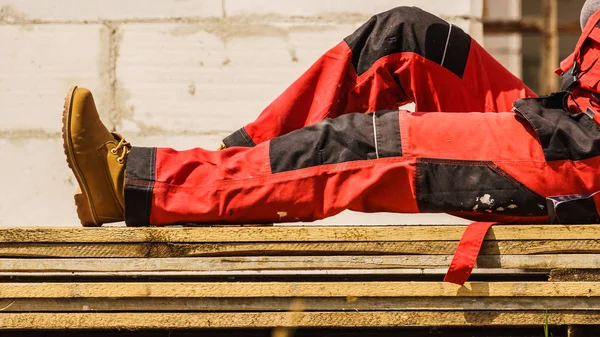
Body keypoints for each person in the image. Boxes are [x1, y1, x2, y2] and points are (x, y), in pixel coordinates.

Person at [63, 2, 600, 230]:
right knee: (402, 35)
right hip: (564, 116)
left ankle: (147, 186)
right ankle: (235, 166)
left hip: (583, 158)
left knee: (361, 143)